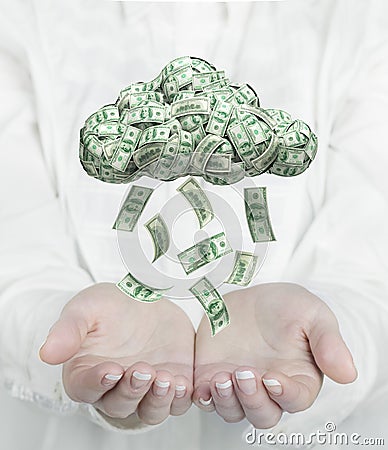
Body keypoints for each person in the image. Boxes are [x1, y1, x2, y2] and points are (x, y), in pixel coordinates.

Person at [1, 1, 388, 449]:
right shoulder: (21, 19)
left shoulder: (359, 20)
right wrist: (56, 322)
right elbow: (16, 255)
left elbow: (372, 264)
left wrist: (333, 329)